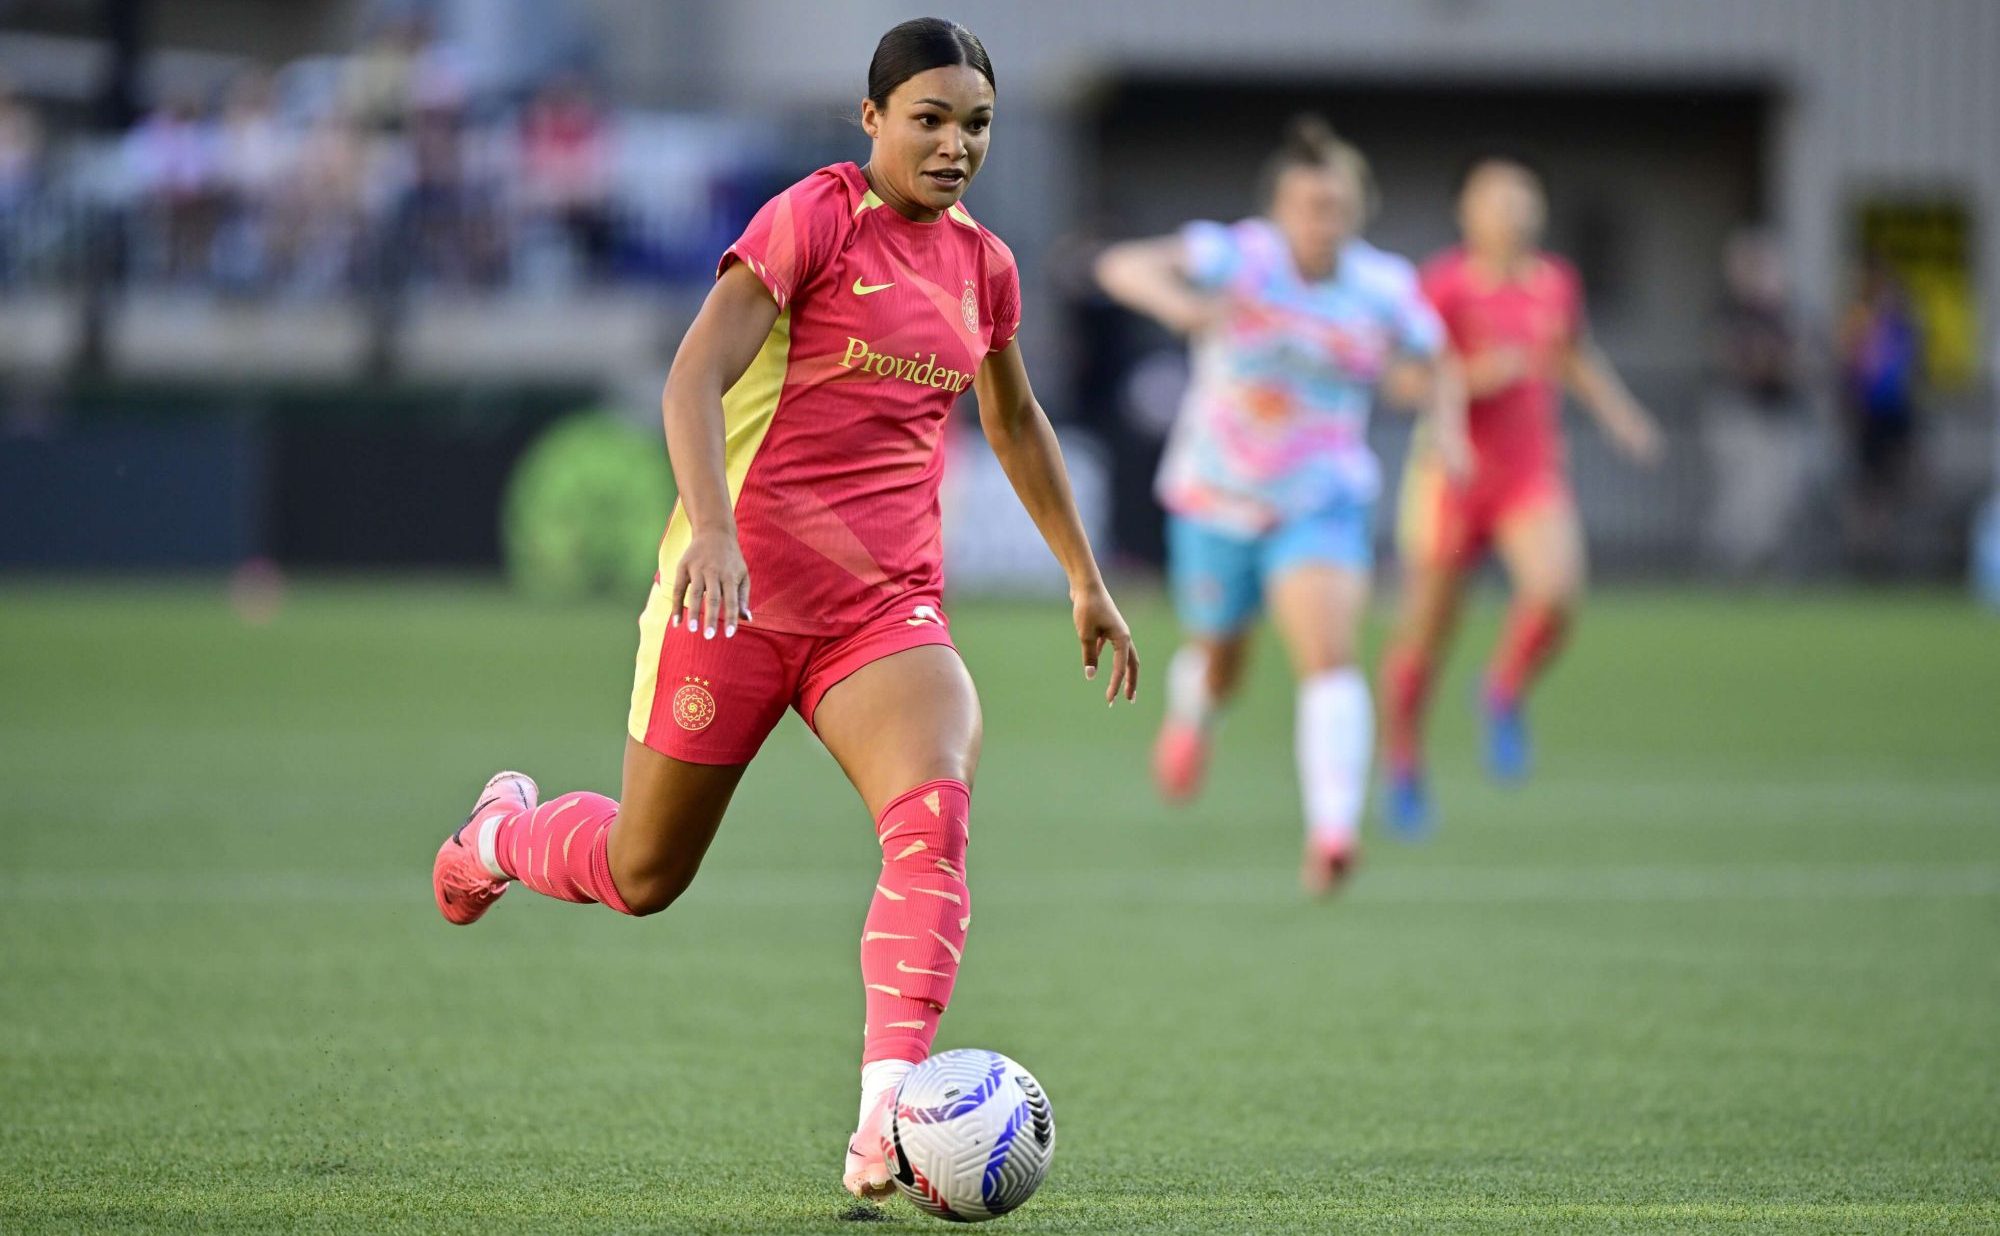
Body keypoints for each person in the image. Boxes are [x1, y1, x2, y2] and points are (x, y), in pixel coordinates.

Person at [429, 17, 1139, 1203]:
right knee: (643, 871)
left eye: (974, 124)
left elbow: (1013, 422)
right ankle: (501, 832)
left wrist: (1081, 572)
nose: (955, 144)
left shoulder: (984, 267)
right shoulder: (811, 219)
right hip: (737, 595)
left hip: (883, 616)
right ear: (871, 121)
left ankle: (880, 1128)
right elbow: (692, 376)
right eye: (930, 119)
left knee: (933, 817)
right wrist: (708, 527)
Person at [1094, 116, 1468, 895]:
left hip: (1319, 500)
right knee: (1222, 659)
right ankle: (1194, 713)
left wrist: (1448, 428)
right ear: (1278, 209)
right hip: (1216, 495)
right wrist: (1182, 306)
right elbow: (1119, 266)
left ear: (1357, 211)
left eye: (1334, 206)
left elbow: (1437, 362)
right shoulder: (1239, 256)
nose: (1319, 221)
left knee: (1329, 655)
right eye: (1305, 204)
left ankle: (1333, 833)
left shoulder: (1382, 286)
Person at [1380, 153, 1662, 834]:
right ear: (1467, 212)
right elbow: (1401, 382)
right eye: (1497, 198)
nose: (1513, 210)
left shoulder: (1556, 284)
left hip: (1528, 474)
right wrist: (1475, 377)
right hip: (1453, 477)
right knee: (1425, 636)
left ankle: (1502, 688)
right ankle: (1403, 767)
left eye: (1523, 197)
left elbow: (1573, 356)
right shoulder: (1443, 286)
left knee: (1558, 592)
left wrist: (1622, 415)